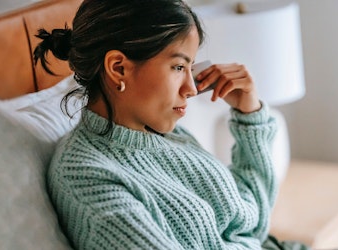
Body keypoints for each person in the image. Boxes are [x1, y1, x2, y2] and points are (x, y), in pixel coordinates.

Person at [33, 0, 308, 249]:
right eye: (178, 67)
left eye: (191, 67)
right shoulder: (86, 177)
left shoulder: (166, 134)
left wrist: (249, 115)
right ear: (118, 67)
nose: (190, 88)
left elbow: (251, 225)